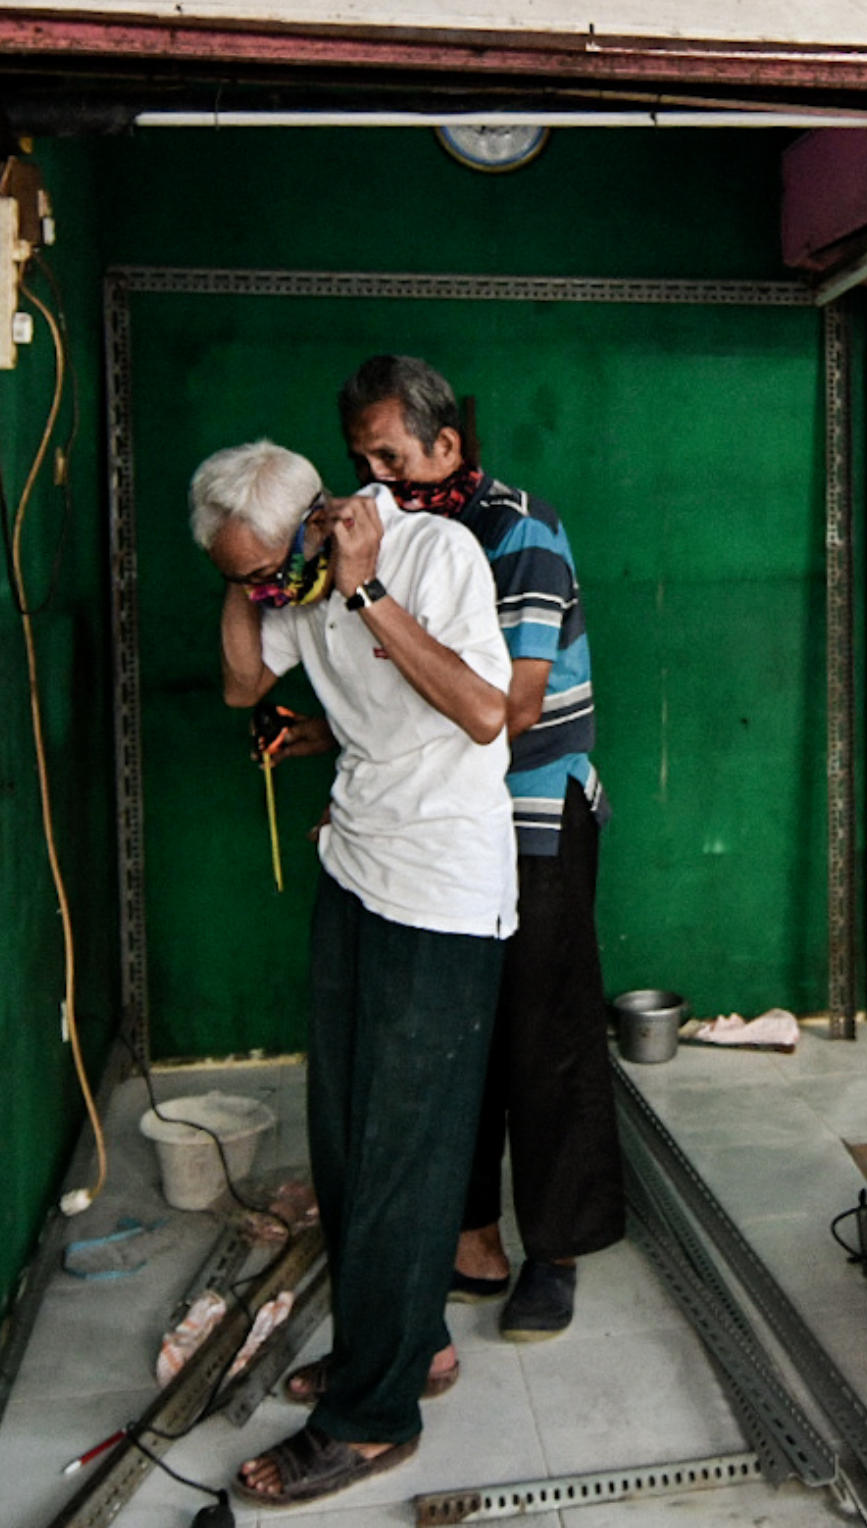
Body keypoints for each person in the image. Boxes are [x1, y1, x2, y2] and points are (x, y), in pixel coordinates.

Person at [193, 439, 515, 1508]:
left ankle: (373, 1419)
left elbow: (480, 711)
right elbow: (246, 682)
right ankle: (406, 1339)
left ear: (316, 529)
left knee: (402, 1150)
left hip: (444, 883)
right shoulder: (283, 580)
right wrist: (244, 584)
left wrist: (364, 584)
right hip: (360, 862)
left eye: (264, 566)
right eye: (242, 574)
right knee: (342, 1132)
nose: (261, 589)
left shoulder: (433, 555)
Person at [329, 353, 624, 1341]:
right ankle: (473, 1237)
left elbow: (513, 706)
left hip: (532, 807)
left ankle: (557, 1248)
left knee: (545, 1035)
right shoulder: (402, 537)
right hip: (444, 819)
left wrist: (375, 601)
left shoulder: (518, 529)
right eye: (361, 461)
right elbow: (403, 684)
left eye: (393, 456)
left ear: (448, 443)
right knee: (460, 1031)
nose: (376, 481)